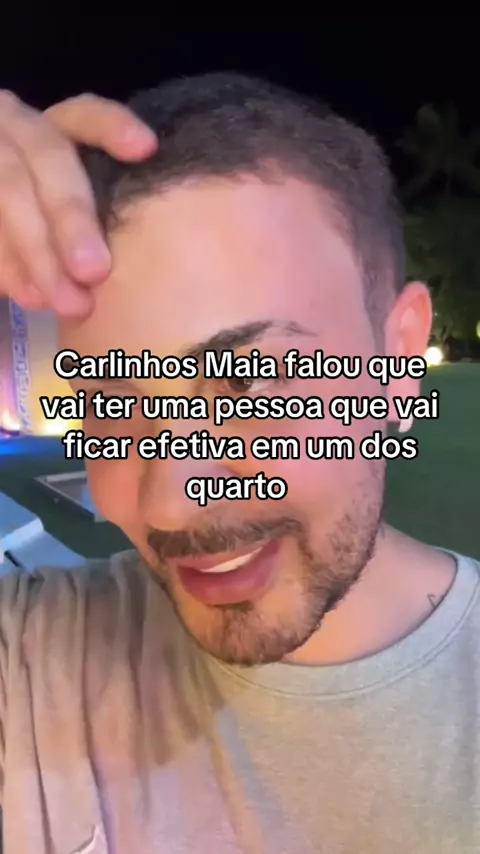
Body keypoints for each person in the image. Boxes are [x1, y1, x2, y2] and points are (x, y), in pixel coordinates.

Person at [0, 73, 477, 854]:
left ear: (396, 360)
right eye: (111, 403)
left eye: (246, 381)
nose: (169, 503)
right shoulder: (36, 662)